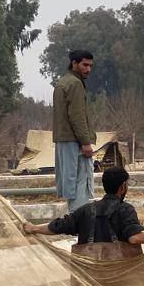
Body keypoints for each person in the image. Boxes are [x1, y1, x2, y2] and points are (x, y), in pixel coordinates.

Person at [24, 167, 144, 259]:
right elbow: (135, 237)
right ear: (123, 187)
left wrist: (33, 228)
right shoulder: (125, 210)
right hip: (120, 278)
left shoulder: (86, 210)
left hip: (91, 278)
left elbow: (57, 226)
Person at [53, 50, 95, 212]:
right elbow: (77, 116)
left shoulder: (63, 82)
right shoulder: (75, 84)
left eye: (90, 66)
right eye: (85, 65)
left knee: (69, 183)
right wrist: (85, 143)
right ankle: (80, 223)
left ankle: (75, 219)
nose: (88, 69)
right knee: (80, 184)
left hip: (63, 140)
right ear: (74, 63)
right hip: (74, 141)